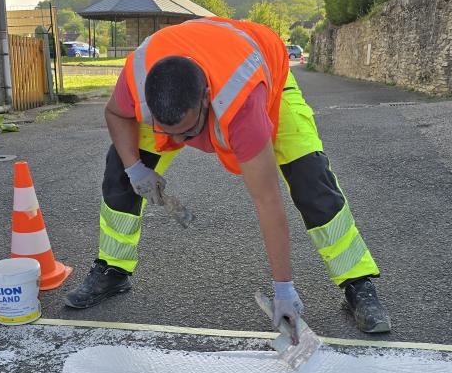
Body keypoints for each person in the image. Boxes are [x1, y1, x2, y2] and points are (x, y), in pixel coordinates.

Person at [64, 17, 390, 338]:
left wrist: (283, 289)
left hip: (266, 78)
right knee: (119, 169)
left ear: (206, 98)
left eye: (188, 131)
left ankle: (357, 283)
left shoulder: (242, 105)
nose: (178, 143)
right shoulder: (138, 76)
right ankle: (113, 270)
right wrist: (135, 169)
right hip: (207, 60)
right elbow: (116, 114)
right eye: (169, 132)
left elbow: (267, 199)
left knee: (311, 179)